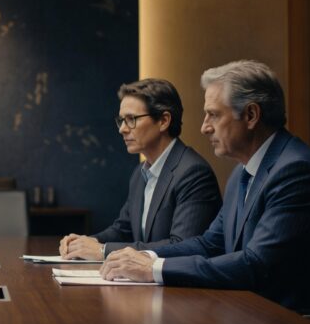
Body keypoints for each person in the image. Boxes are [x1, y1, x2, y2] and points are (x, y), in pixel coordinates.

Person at [100, 61, 310, 310]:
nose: (204, 127)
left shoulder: (296, 172)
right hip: (253, 317)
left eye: (214, 114)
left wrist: (154, 269)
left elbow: (257, 264)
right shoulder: (243, 172)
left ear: (251, 115)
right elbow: (210, 244)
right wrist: (146, 257)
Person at [58, 79, 221, 261]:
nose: (122, 129)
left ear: (164, 121)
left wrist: (103, 250)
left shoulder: (193, 172)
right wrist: (86, 242)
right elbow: (124, 230)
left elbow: (183, 246)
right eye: (121, 120)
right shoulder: (139, 173)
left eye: (131, 119)